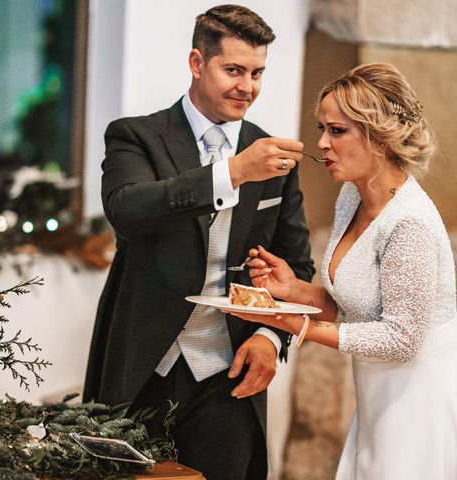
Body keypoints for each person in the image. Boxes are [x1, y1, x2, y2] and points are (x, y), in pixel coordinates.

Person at [83, 5, 314, 479]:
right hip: (144, 367)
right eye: (233, 70)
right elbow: (127, 210)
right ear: (196, 63)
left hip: (229, 374)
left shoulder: (273, 155)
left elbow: (299, 268)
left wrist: (272, 338)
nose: (246, 87)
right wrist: (231, 173)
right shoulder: (137, 136)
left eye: (256, 73)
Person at [227, 63, 457, 479]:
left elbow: (401, 338)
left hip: (417, 398)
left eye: (337, 131)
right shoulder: (352, 197)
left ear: (379, 136)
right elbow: (360, 309)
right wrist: (295, 289)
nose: (321, 143)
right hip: (377, 393)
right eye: (323, 128)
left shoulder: (409, 223)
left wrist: (293, 324)